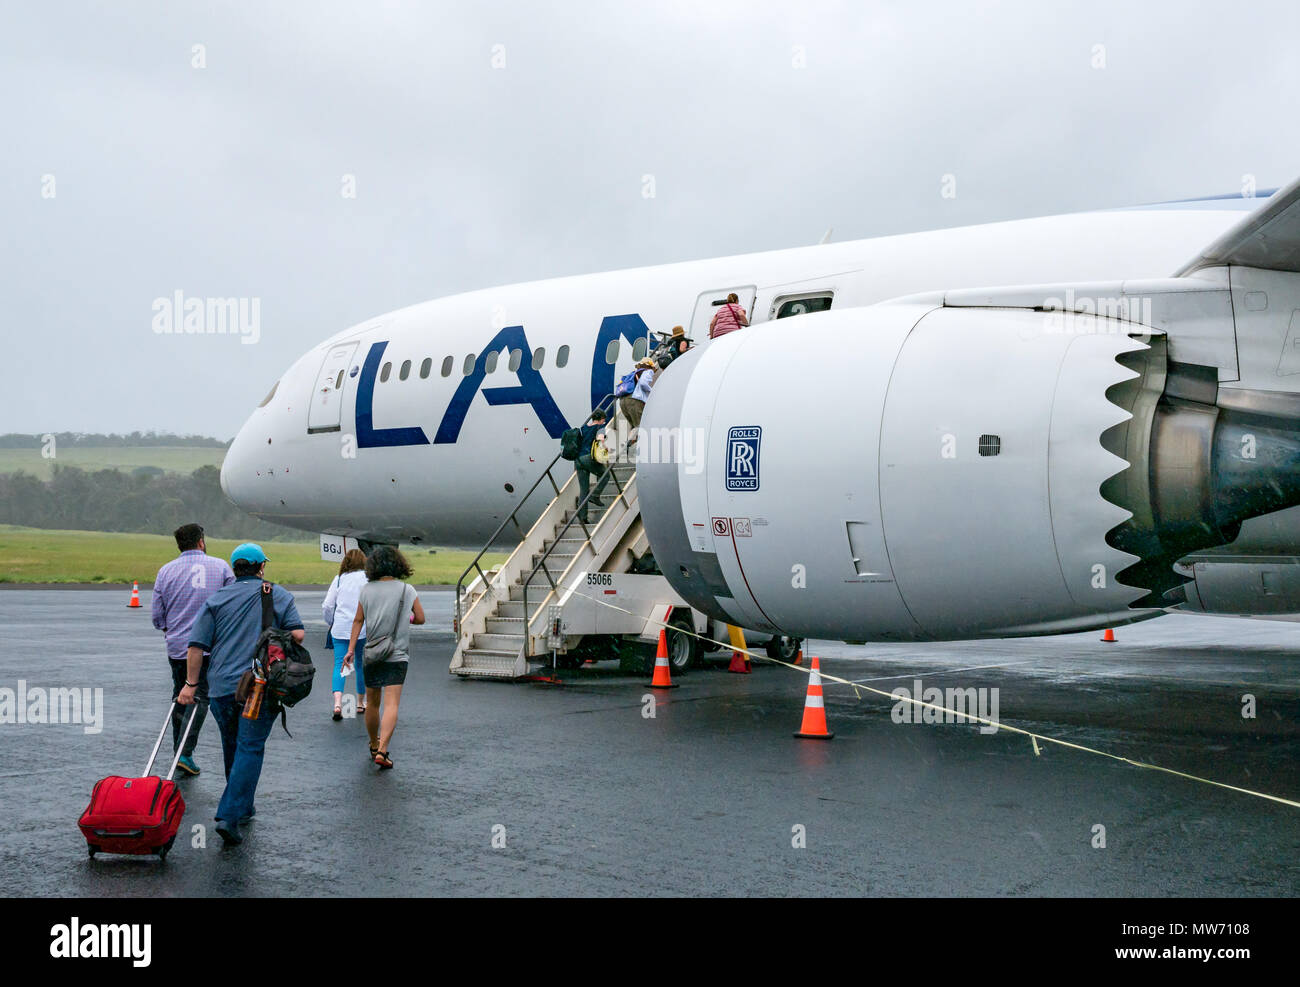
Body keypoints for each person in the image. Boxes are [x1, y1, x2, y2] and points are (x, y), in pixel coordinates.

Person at [178, 543, 304, 847]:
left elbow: (196, 646)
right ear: (261, 567)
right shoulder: (275, 593)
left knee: (232, 745)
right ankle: (229, 815)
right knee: (250, 747)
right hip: (259, 685)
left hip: (221, 686)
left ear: (235, 569)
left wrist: (190, 684)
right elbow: (298, 634)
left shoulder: (216, 598)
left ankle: (243, 807)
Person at [150, 522, 233, 777]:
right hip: (209, 646)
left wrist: (169, 628)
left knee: (180, 694)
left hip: (178, 648)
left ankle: (180, 749)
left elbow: (157, 615)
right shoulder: (220, 567)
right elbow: (231, 604)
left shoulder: (166, 571)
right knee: (201, 698)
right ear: (201, 541)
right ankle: (184, 751)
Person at [344, 546, 424, 770]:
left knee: (372, 703)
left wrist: (350, 649)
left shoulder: (366, 590)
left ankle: (372, 743)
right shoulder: (407, 590)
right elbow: (420, 618)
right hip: (397, 654)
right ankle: (383, 750)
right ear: (398, 564)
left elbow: (358, 621)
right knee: (392, 704)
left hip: (372, 652)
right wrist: (404, 619)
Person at [322, 548, 368, 720]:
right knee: (359, 663)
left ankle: (338, 704)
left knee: (339, 664)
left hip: (340, 628)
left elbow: (327, 606)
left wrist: (331, 622)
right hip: (361, 629)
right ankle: (360, 703)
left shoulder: (339, 579)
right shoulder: (367, 579)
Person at [573, 408, 612, 523]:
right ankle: (595, 495)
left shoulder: (583, 428)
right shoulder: (599, 428)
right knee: (605, 475)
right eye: (603, 420)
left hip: (578, 460)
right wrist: (606, 449)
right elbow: (600, 440)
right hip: (588, 458)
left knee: (584, 489)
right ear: (600, 419)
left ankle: (582, 517)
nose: (604, 423)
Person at [619, 357, 657, 449]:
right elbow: (643, 383)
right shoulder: (648, 371)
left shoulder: (633, 373)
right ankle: (637, 445)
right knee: (641, 426)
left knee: (634, 427)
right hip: (634, 401)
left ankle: (628, 442)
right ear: (650, 366)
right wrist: (651, 391)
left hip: (623, 401)